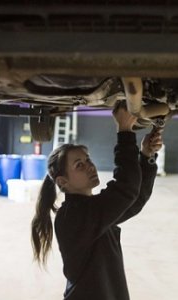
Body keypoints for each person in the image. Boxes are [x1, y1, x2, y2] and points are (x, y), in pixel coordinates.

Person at [31, 102, 163, 299]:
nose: (90, 167)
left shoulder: (89, 210)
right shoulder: (73, 216)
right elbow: (126, 189)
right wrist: (125, 132)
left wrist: (146, 156)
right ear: (62, 181)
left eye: (88, 160)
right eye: (79, 165)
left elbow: (133, 200)